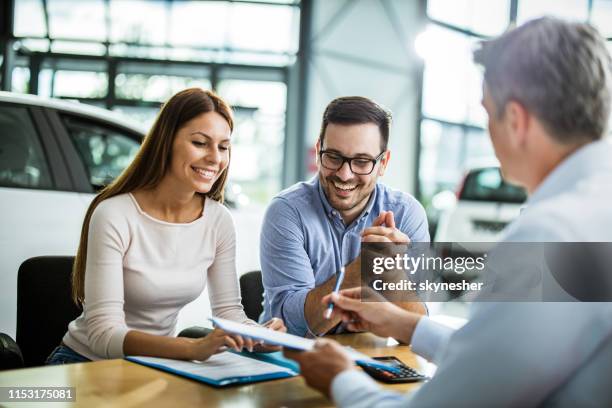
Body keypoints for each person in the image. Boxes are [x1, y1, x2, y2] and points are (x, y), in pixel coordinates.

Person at [284, 17, 612, 406]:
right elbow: (503, 355)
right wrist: (405, 324)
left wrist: (339, 379)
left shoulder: (551, 232)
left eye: (488, 112)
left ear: (517, 120)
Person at [47, 88, 285, 365]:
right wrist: (191, 349)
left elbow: (230, 314)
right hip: (84, 363)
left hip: (152, 367)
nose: (215, 158)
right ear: (166, 141)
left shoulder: (218, 220)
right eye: (200, 143)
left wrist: (261, 337)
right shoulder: (114, 213)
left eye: (223, 147)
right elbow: (103, 336)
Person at [260, 96, 429, 336]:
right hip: (291, 359)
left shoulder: (406, 213)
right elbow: (296, 326)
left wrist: (390, 271)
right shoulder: (287, 211)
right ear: (319, 152)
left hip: (370, 358)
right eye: (334, 157)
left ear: (383, 163)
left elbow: (418, 330)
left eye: (361, 161)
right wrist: (362, 268)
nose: (345, 174)